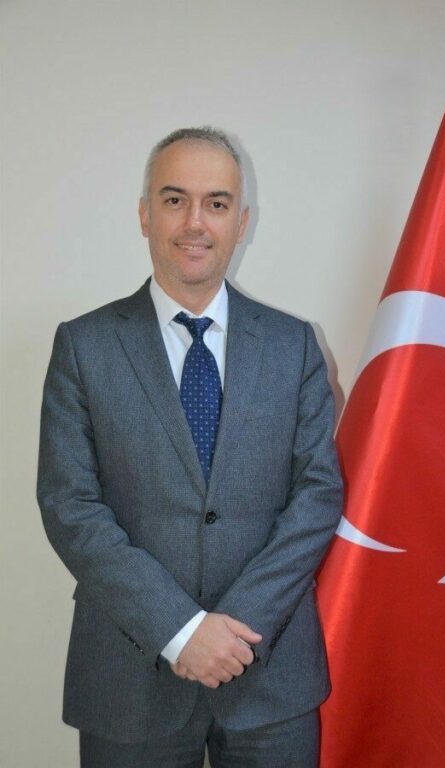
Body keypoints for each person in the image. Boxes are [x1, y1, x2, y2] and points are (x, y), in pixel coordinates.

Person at [37, 126, 343, 768]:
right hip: (129, 675)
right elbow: (70, 507)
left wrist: (235, 631)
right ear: (144, 215)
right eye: (175, 200)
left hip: (271, 674)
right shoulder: (84, 346)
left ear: (242, 222)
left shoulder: (293, 346)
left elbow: (317, 497)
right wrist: (179, 630)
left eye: (217, 203)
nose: (195, 222)